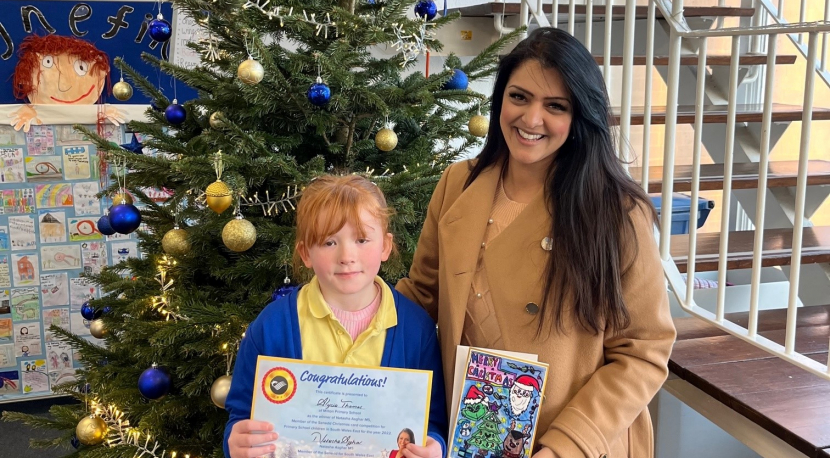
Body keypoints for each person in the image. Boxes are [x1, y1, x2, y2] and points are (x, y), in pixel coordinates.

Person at [396, 27, 676, 458]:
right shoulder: (457, 184)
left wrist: (566, 447)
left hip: (577, 442)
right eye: (519, 97)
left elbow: (643, 351)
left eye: (555, 106)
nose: (530, 120)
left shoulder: (616, 212)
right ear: (500, 99)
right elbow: (419, 299)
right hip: (476, 435)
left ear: (580, 116)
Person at [223, 175, 448, 458]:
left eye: (362, 239)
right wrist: (236, 443)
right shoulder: (272, 327)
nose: (346, 255)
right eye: (329, 242)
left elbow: (434, 420)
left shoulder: (417, 330)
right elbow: (241, 415)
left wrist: (435, 447)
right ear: (305, 253)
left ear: (385, 246)